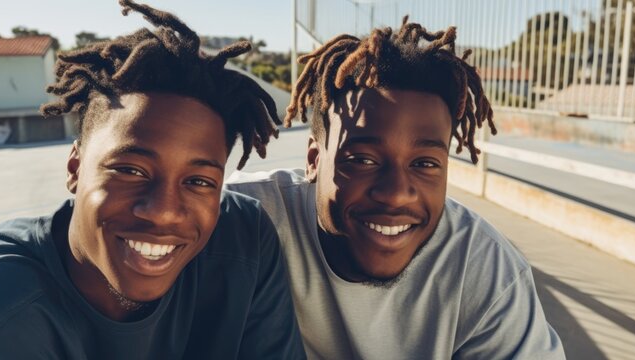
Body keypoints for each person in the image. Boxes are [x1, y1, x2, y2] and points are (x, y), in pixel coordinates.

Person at [0, 1, 305, 358]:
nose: (163, 212)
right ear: (75, 168)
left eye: (199, 181)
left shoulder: (244, 238)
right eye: (130, 170)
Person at [227, 17, 565, 359]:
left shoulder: (483, 269)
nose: (396, 193)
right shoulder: (242, 220)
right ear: (314, 159)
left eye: (425, 164)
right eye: (363, 160)